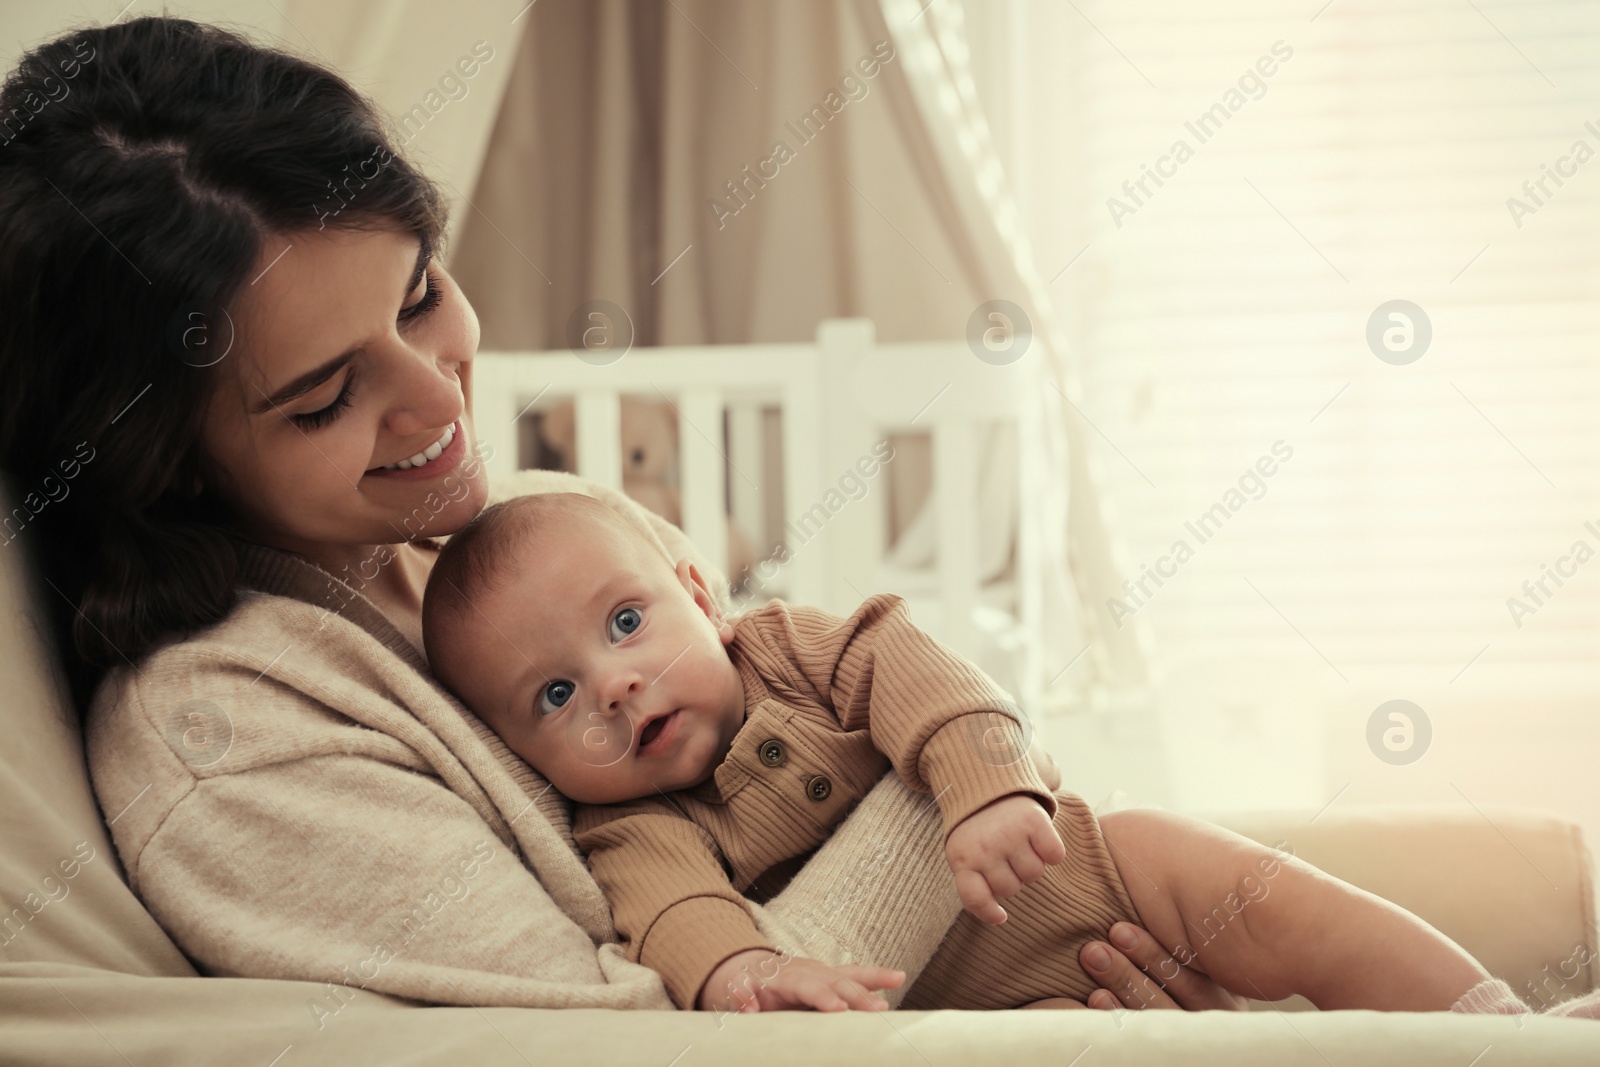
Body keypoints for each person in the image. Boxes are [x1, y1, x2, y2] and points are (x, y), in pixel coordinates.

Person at [0, 15, 1210, 1016]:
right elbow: (643, 1038)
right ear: (168, 468)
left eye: (421, 295)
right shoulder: (227, 742)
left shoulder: (537, 522)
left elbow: (787, 766)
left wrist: (1053, 927)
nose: (436, 396)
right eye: (324, 398)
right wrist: (953, 768)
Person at [421, 491, 1583, 1019]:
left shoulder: (796, 646)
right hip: (978, 1006)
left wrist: (980, 793)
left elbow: (924, 677)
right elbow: (668, 909)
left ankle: (1490, 1023)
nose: (614, 686)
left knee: (1258, 893)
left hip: (1080, 871)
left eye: (625, 624)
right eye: (555, 694)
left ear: (697, 592)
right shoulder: (634, 822)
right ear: (516, 750)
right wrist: (741, 974)